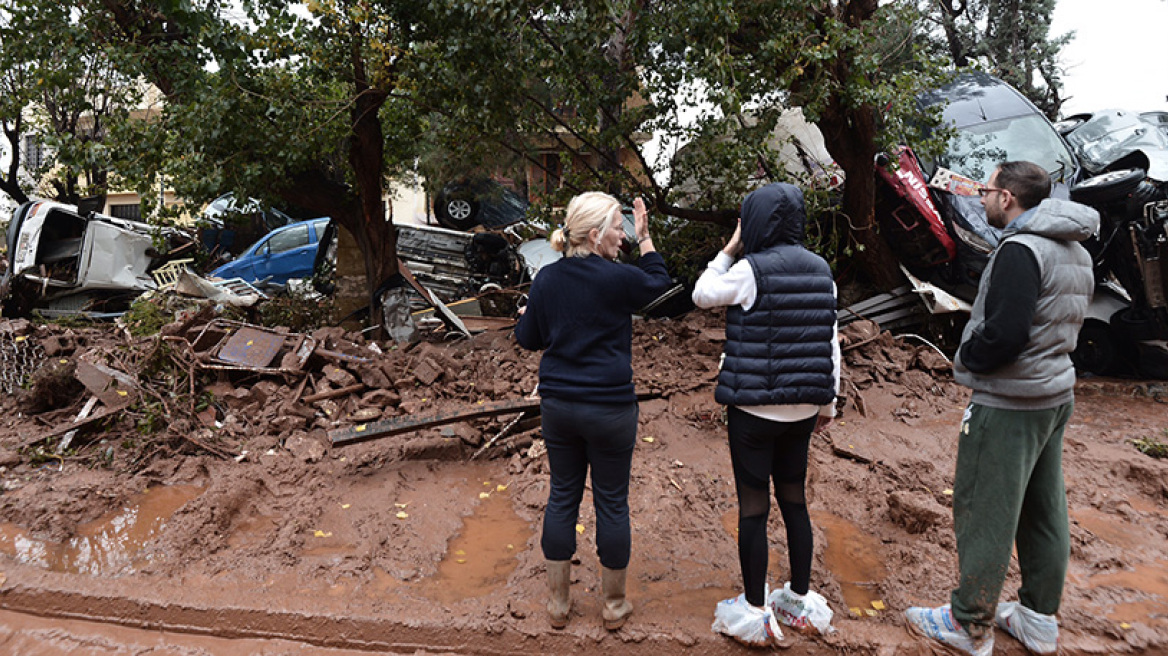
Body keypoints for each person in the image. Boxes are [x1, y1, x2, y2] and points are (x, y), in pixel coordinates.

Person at [905, 161, 1099, 656]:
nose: (983, 199)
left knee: (983, 510)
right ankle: (1037, 617)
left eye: (987, 191)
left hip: (1010, 402)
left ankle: (968, 622)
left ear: (1008, 198)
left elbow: (1007, 334)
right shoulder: (1074, 249)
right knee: (1044, 509)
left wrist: (968, 355)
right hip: (1053, 393)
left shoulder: (1019, 250)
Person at [514, 192, 672, 631]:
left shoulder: (546, 279)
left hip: (560, 408)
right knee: (612, 504)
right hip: (610, 409)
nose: (622, 237)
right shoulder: (617, 279)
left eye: (625, 229)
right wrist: (646, 240)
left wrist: (530, 315)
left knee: (563, 496)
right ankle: (614, 606)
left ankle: (558, 605)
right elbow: (661, 283)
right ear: (593, 234)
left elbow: (528, 339)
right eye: (617, 229)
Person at [691, 182, 840, 647]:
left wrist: (728, 250)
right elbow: (829, 342)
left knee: (754, 507)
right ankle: (796, 599)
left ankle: (755, 610)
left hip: (754, 412)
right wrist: (827, 405)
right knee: (795, 501)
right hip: (803, 411)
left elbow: (701, 293)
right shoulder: (822, 270)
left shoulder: (750, 270)